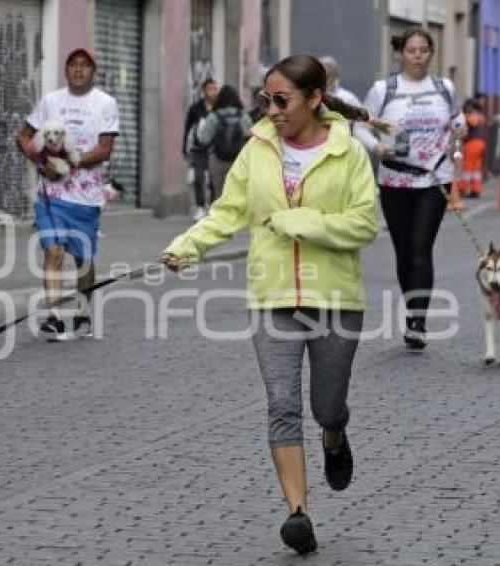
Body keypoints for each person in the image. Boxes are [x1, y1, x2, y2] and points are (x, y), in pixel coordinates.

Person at [163, 54, 379, 555]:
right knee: (282, 404)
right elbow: (228, 212)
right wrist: (186, 246)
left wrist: (302, 222)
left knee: (326, 405)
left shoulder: (348, 153)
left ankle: (334, 435)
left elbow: (365, 223)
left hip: (335, 298)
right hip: (271, 295)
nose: (272, 108)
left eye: (283, 99)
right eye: (267, 98)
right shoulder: (256, 149)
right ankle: (298, 513)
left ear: (314, 99)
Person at [354, 27, 465, 351]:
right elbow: (359, 125)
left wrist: (460, 128)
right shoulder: (383, 89)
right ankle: (411, 307)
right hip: (394, 179)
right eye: (411, 50)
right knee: (403, 250)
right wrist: (376, 147)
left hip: (434, 178)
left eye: (424, 50)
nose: (418, 55)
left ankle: (418, 320)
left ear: (432, 53)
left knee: (420, 247)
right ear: (400, 53)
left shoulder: (444, 88)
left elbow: (456, 120)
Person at [15, 48, 119, 340]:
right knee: (54, 251)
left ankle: (83, 311)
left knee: (83, 259)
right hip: (51, 196)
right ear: (66, 70)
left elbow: (105, 148)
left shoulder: (105, 104)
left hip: (86, 197)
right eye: (72, 65)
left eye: (84, 66)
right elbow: (23, 135)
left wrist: (72, 163)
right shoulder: (51, 101)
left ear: (92, 71)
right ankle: (53, 315)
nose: (78, 70)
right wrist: (41, 163)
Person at [196, 85, 254, 199]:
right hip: (238, 160)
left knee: (219, 193)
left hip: (217, 159)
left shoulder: (213, 117)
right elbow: (251, 137)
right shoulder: (243, 116)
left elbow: (203, 139)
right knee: (237, 193)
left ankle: (221, 215)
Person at [183, 79, 220, 221]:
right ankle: (200, 206)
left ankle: (212, 206)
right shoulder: (196, 108)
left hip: (215, 149)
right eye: (210, 89)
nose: (213, 92)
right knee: (198, 178)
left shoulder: (219, 107)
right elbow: (188, 128)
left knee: (212, 179)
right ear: (204, 92)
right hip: (198, 149)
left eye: (216, 89)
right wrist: (184, 147)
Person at [459, 98, 488, 198]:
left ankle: (462, 189)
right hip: (481, 142)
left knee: (467, 167)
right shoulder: (481, 115)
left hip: (472, 143)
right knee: (476, 168)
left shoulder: (471, 115)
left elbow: (470, 124)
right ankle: (475, 190)